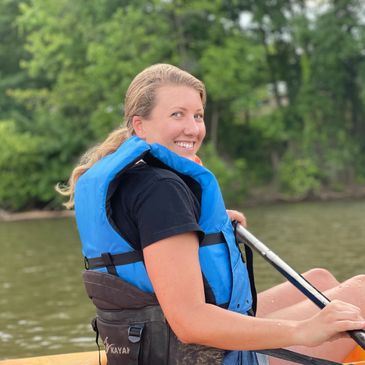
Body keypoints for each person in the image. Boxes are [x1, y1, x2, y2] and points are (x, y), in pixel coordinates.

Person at [58, 63, 365, 365]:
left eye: (198, 115)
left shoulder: (137, 178)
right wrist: (305, 331)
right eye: (177, 114)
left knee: (319, 280)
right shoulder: (160, 191)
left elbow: (148, 241)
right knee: (360, 292)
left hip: (161, 345)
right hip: (202, 355)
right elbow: (190, 323)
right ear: (140, 125)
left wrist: (202, 229)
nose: (193, 128)